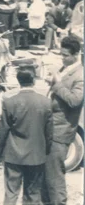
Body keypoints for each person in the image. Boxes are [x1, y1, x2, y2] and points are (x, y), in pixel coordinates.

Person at [0, 66, 53, 205]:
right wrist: (46, 151)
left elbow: (3, 131)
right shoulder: (45, 102)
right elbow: (49, 132)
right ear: (34, 80)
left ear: (18, 81)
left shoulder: (9, 102)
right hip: (36, 155)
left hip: (13, 155)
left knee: (11, 193)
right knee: (32, 194)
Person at [42, 36, 83, 205]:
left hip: (61, 131)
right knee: (45, 174)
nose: (63, 58)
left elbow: (75, 101)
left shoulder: (80, 75)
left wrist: (57, 85)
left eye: (66, 55)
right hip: (51, 128)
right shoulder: (65, 68)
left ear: (76, 54)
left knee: (54, 176)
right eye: (61, 55)